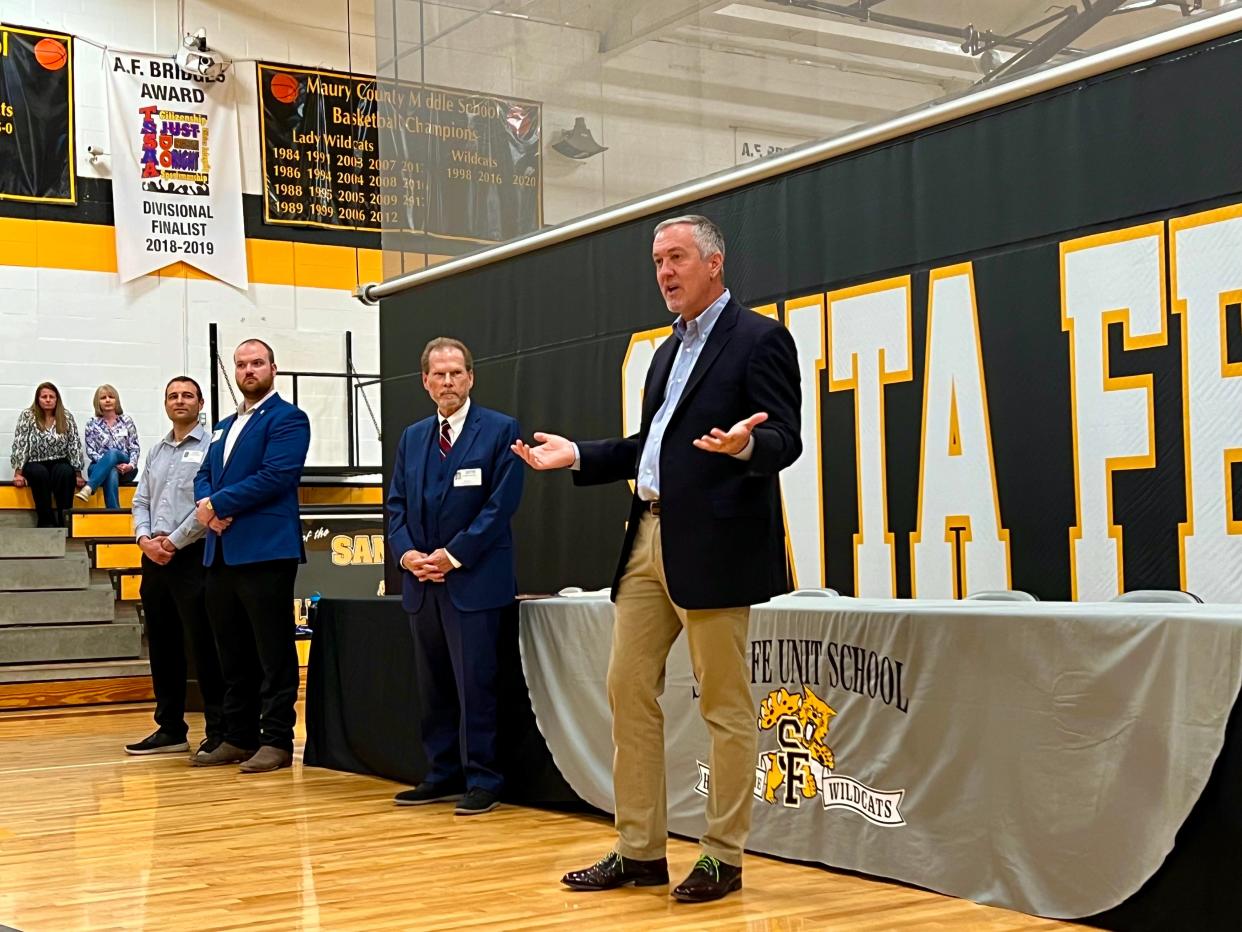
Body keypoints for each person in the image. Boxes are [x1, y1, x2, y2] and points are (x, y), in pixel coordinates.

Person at [513, 215, 802, 903]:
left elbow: (785, 437)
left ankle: (723, 856)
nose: (664, 273)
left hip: (716, 547)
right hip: (647, 538)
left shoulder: (760, 339)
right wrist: (579, 454)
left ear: (715, 264)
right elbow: (652, 446)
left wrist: (747, 448)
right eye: (656, 262)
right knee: (627, 690)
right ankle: (640, 849)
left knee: (725, 707)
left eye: (676, 258)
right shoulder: (666, 352)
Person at [386, 338, 524, 816]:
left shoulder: (501, 430)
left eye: (456, 373)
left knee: (477, 687)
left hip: (474, 583)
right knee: (435, 686)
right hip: (421, 584)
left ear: (471, 378)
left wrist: (452, 555)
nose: (448, 381)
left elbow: (499, 507)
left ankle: (484, 779)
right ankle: (441, 773)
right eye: (438, 374)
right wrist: (408, 557)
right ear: (425, 382)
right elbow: (396, 506)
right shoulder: (412, 436)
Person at [191, 339, 310, 774]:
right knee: (231, 652)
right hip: (221, 552)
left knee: (271, 651)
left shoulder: (288, 419)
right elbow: (203, 475)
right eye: (241, 365)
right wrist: (208, 506)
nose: (248, 371)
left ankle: (276, 739)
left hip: (264, 551)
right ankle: (237, 736)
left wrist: (218, 505)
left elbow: (277, 475)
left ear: (273, 369)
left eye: (256, 363)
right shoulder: (221, 426)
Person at [126, 376, 225, 759]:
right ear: (165, 403)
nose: (179, 401)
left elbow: (208, 505)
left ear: (200, 403)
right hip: (154, 557)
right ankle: (170, 728)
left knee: (203, 645)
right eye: (173, 395)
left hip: (191, 556)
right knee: (163, 644)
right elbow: (140, 501)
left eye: (187, 395)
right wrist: (144, 539)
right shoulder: (156, 451)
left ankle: (218, 728)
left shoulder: (211, 449)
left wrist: (173, 541)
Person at [9, 382, 86, 527]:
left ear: (57, 399)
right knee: (40, 474)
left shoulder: (66, 416)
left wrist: (78, 474)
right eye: (44, 396)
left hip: (59, 460)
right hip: (35, 461)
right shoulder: (27, 415)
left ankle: (64, 521)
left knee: (65, 472)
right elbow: (21, 443)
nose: (48, 399)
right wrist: (18, 472)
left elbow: (74, 444)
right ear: (38, 399)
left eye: (52, 397)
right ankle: (46, 521)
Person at [77, 384, 140, 508]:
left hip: (125, 467)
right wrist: (111, 463)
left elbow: (134, 447)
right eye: (103, 398)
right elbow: (91, 451)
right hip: (98, 467)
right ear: (97, 402)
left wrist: (131, 465)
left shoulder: (126, 420)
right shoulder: (92, 423)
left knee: (113, 452)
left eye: (111, 397)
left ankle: (89, 487)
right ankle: (114, 513)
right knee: (111, 470)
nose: (107, 400)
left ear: (116, 400)